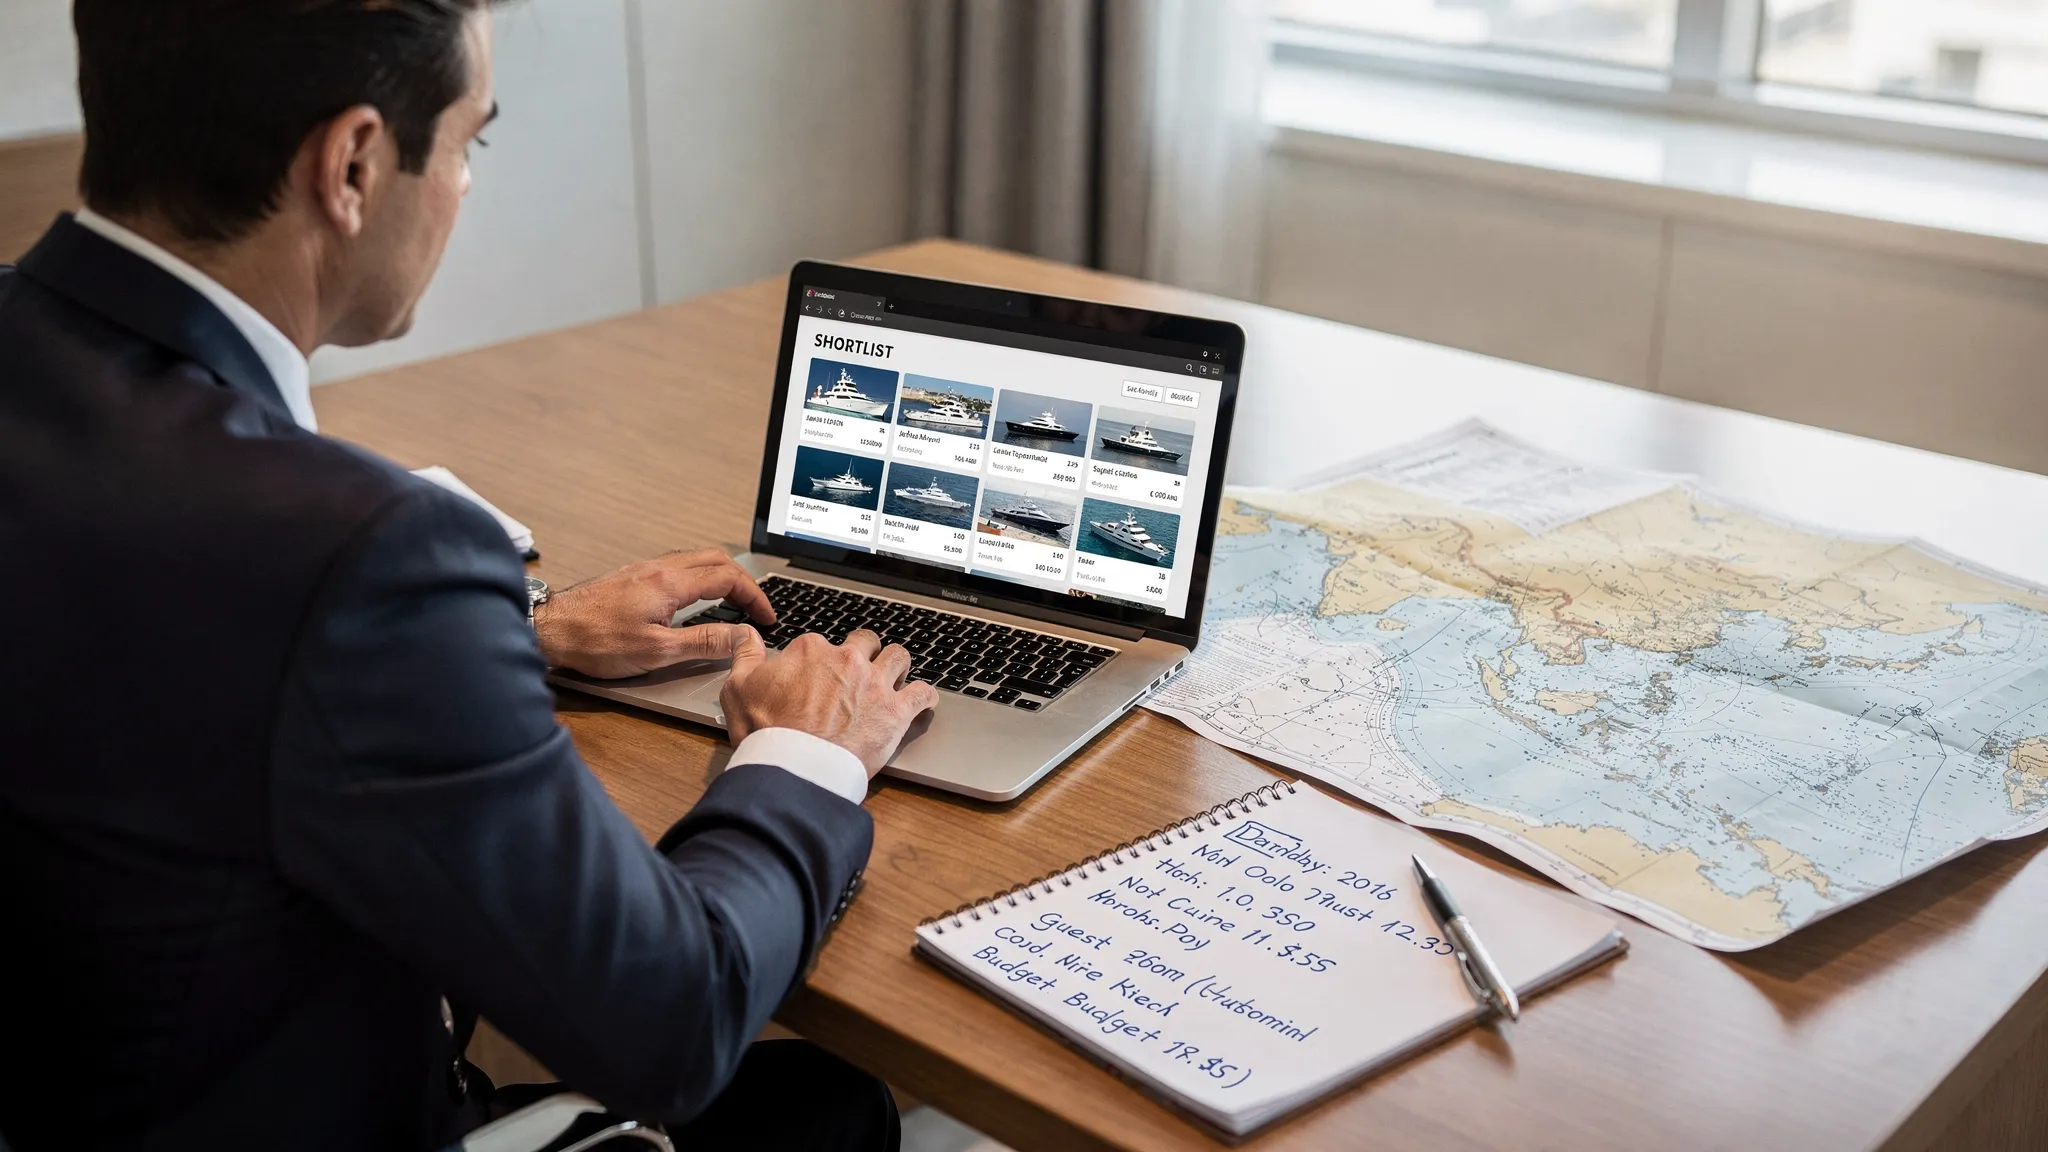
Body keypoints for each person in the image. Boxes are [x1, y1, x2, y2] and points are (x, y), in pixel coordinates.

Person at [0, 2, 938, 1149]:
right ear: (351, 165)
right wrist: (807, 753)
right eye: (467, 143)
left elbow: (146, 624)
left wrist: (517, 634)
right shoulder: (358, 553)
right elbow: (674, 1022)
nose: (463, 186)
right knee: (825, 1113)